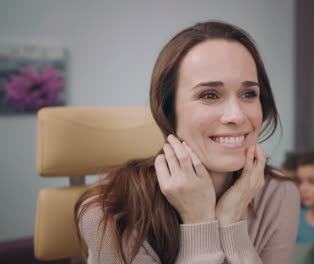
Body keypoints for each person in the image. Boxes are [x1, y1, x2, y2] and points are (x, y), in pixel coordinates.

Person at [74, 21, 300, 264]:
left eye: (248, 94)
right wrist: (199, 223)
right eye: (209, 95)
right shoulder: (109, 209)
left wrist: (232, 223)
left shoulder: (278, 193)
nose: (236, 115)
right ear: (167, 110)